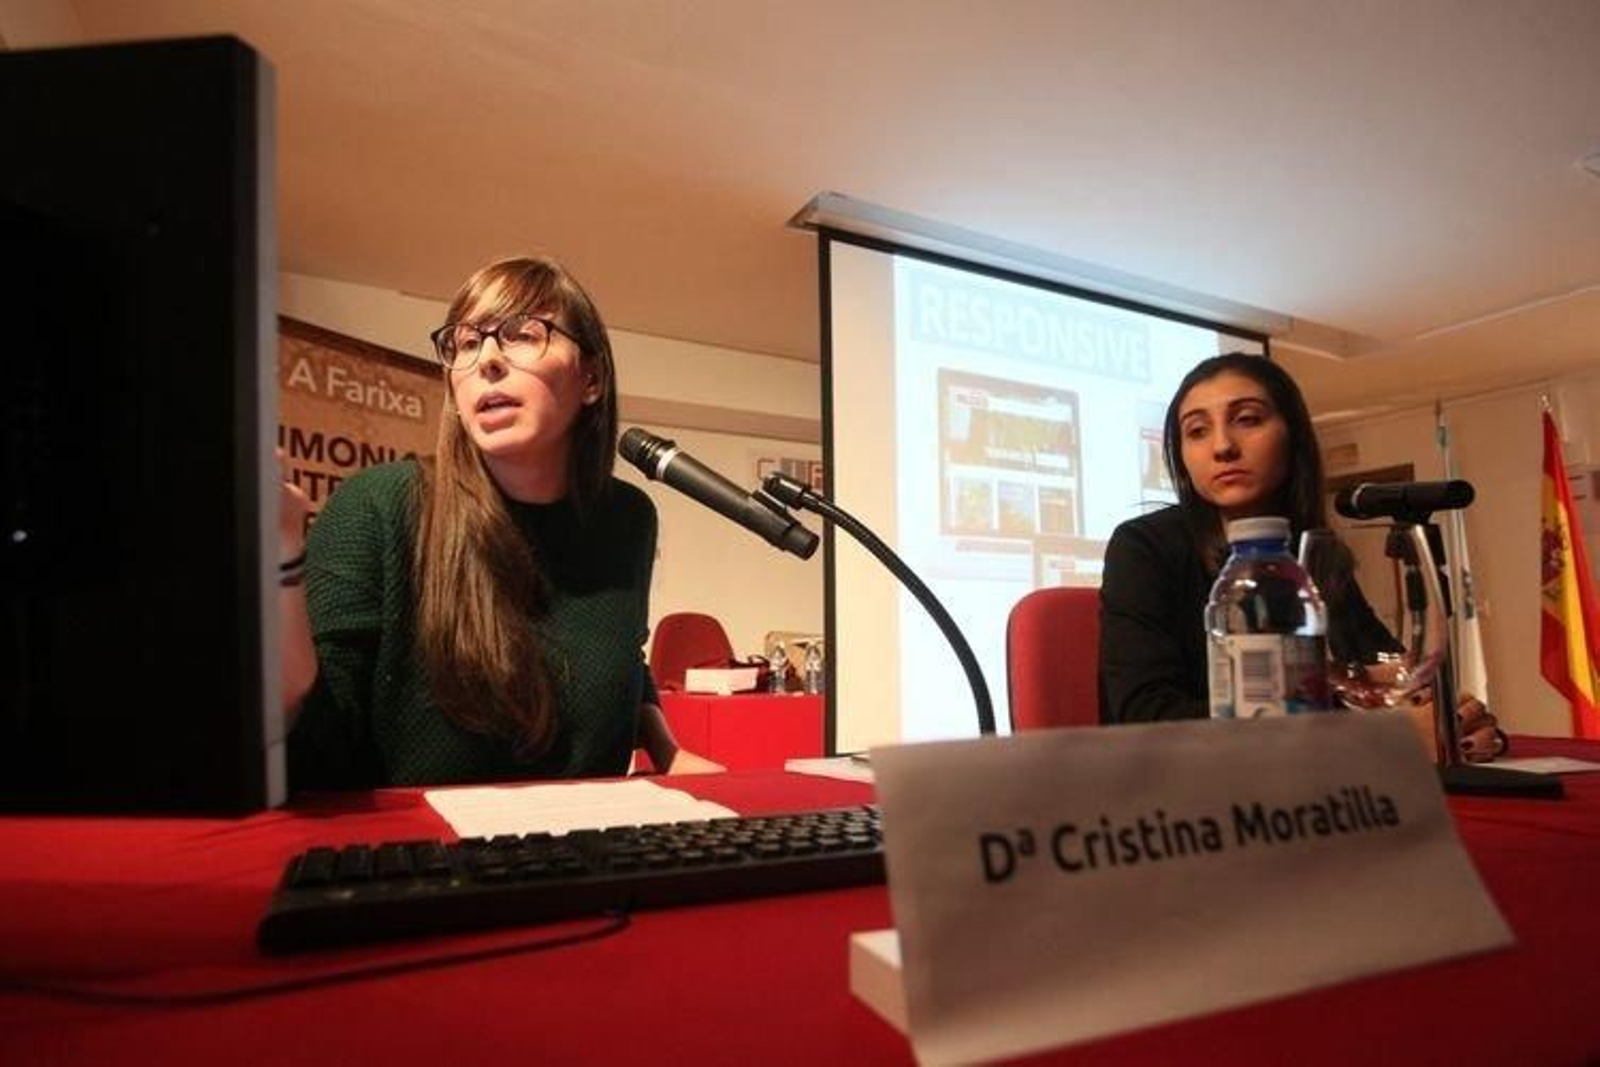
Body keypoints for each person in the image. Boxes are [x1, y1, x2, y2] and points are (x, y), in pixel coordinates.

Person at [278, 255, 721, 788]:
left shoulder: (626, 518)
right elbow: (319, 743)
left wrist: (666, 748)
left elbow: (620, 653)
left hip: (589, 845)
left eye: (522, 334)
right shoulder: (377, 507)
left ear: (592, 378)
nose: (486, 359)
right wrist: (279, 568)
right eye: (465, 343)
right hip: (424, 854)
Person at [1097, 352, 1504, 760]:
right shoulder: (1143, 547)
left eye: (1248, 419)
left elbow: (1390, 674)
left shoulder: (1314, 554)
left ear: (1294, 435)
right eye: (1198, 430)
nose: (1222, 446)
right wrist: (1369, 731)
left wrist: (1453, 720)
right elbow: (1146, 717)